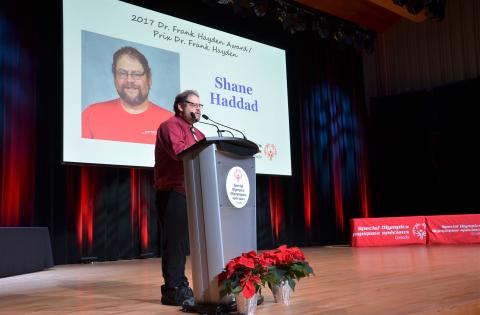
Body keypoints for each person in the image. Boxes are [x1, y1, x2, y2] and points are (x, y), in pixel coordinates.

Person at [154, 90, 205, 306]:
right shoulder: (170, 126)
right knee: (174, 242)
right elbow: (179, 152)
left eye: (200, 106)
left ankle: (185, 284)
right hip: (173, 191)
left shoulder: (199, 134)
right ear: (180, 107)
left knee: (185, 243)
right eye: (193, 105)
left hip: (193, 193)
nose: (198, 109)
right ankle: (173, 288)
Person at [82, 46, 172, 144]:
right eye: (122, 73)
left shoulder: (170, 121)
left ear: (149, 79)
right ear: (115, 78)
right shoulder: (91, 114)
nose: (129, 80)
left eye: (137, 74)